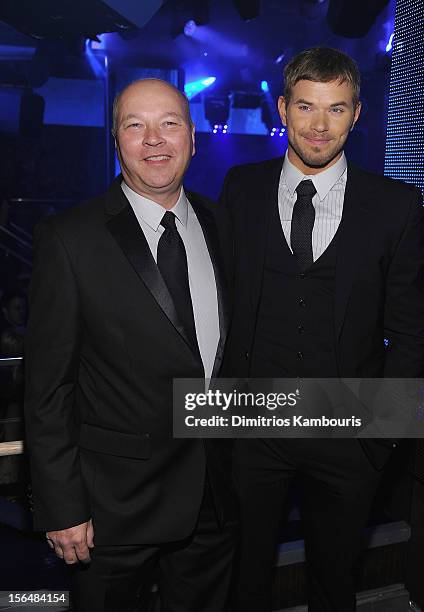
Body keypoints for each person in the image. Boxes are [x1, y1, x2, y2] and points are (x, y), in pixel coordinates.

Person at [220, 46, 424, 611]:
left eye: (336, 109)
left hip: (349, 434)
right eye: (307, 106)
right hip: (253, 429)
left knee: (334, 586)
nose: (318, 125)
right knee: (246, 584)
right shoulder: (242, 188)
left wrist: (381, 438)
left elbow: (410, 332)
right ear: (282, 109)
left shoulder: (396, 205)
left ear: (357, 113)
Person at [24, 78, 235, 612]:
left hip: (214, 497)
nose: (154, 140)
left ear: (192, 135)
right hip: (112, 507)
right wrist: (62, 506)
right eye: (134, 126)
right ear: (114, 140)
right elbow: (47, 389)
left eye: (169, 124)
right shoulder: (69, 239)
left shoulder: (223, 225)